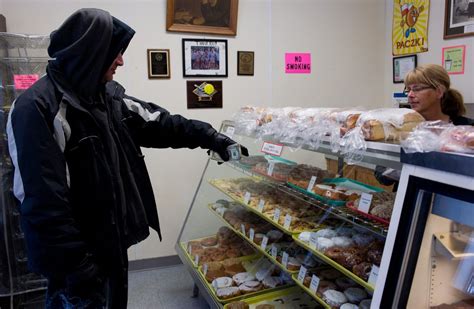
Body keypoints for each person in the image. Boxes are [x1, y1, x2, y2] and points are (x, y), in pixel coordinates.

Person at [6, 8, 246, 309]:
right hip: (75, 263)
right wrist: (78, 267)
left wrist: (213, 138)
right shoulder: (37, 109)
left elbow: (162, 123)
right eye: (115, 53)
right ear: (91, 53)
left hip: (111, 247)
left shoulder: (105, 98)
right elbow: (42, 202)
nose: (121, 61)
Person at [404, 64, 474, 125]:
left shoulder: (467, 129)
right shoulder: (402, 128)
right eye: (408, 90)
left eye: (417, 89)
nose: (410, 95)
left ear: (439, 92)